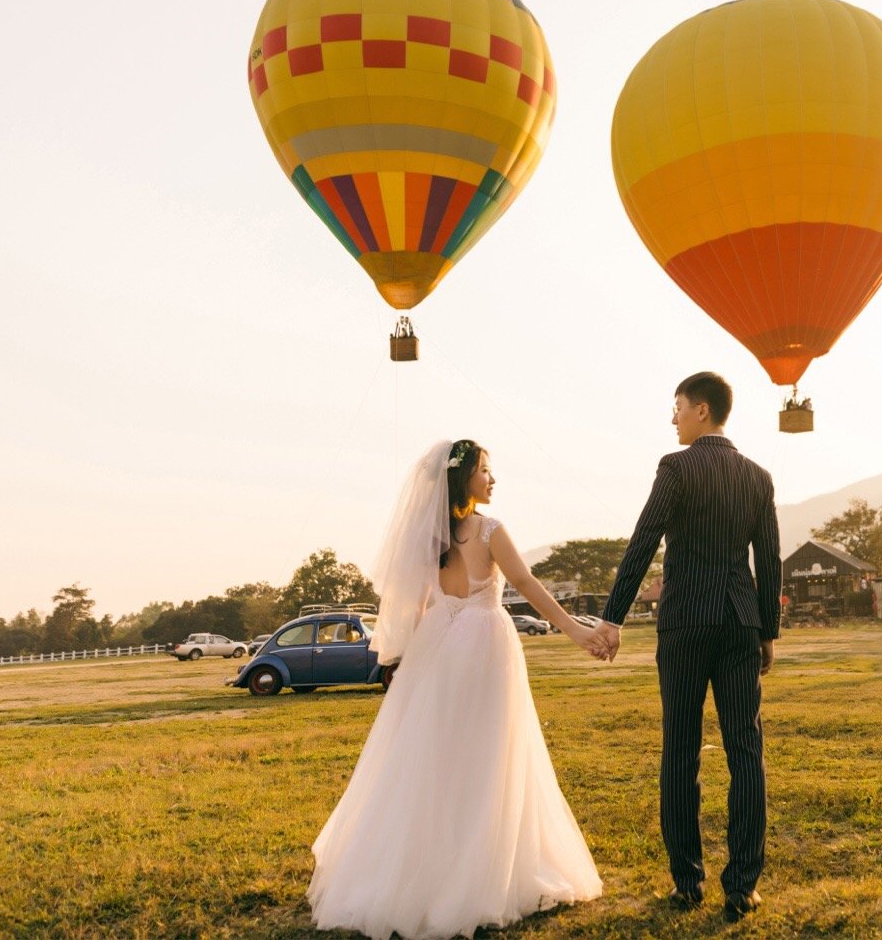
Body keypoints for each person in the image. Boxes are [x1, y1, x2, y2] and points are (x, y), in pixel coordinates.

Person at [307, 439, 605, 940]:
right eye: (486, 471)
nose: (493, 479)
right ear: (463, 476)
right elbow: (527, 585)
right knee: (488, 754)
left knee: (432, 755)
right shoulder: (489, 530)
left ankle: (423, 868)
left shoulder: (430, 537)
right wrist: (576, 630)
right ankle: (479, 872)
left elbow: (416, 603)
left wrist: (408, 661)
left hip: (438, 648)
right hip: (484, 644)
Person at [587, 372, 782, 923]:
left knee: (681, 750)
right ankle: (742, 886)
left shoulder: (676, 468)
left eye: (676, 408)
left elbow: (644, 539)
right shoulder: (757, 478)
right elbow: (769, 560)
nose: (672, 418)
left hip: (685, 625)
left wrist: (613, 617)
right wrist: (767, 630)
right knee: (746, 750)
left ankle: (687, 882)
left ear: (700, 411)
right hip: (739, 624)